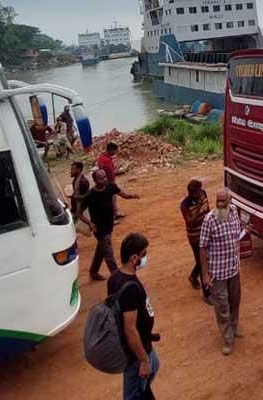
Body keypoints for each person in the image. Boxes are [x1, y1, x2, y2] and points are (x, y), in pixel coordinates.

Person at [108, 233, 159, 400]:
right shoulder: (130, 288)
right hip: (136, 354)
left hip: (141, 347)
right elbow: (129, 329)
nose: (145, 258)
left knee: (150, 373)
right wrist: (143, 360)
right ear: (134, 258)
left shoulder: (115, 277)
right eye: (144, 254)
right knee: (133, 394)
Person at [199, 189, 244, 355]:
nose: (219, 204)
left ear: (229, 200)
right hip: (217, 272)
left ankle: (233, 327)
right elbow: (202, 247)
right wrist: (204, 274)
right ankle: (227, 339)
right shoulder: (209, 219)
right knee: (221, 306)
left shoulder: (233, 212)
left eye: (223, 201)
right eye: (218, 201)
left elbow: (237, 235)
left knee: (235, 301)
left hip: (233, 268)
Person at [79, 169, 141, 281]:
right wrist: (90, 223)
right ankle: (118, 279)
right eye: (101, 178)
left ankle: (93, 272)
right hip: (99, 228)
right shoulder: (90, 196)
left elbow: (123, 194)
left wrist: (132, 196)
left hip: (108, 225)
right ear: (95, 180)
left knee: (101, 250)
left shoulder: (110, 186)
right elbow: (79, 213)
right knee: (109, 254)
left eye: (105, 177)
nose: (104, 179)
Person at [179, 179, 211, 294]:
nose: (201, 192)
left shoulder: (203, 193)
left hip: (206, 231)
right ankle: (206, 293)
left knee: (205, 259)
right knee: (201, 261)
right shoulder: (185, 205)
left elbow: (207, 209)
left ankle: (193, 276)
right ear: (192, 193)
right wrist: (198, 207)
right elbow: (189, 221)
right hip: (195, 237)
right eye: (198, 191)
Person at [98, 142, 125, 219]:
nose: (114, 153)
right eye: (114, 151)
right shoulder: (104, 159)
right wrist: (118, 167)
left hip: (110, 181)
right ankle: (112, 217)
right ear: (111, 149)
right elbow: (107, 172)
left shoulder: (105, 158)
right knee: (110, 200)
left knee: (113, 198)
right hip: (108, 182)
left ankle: (115, 213)